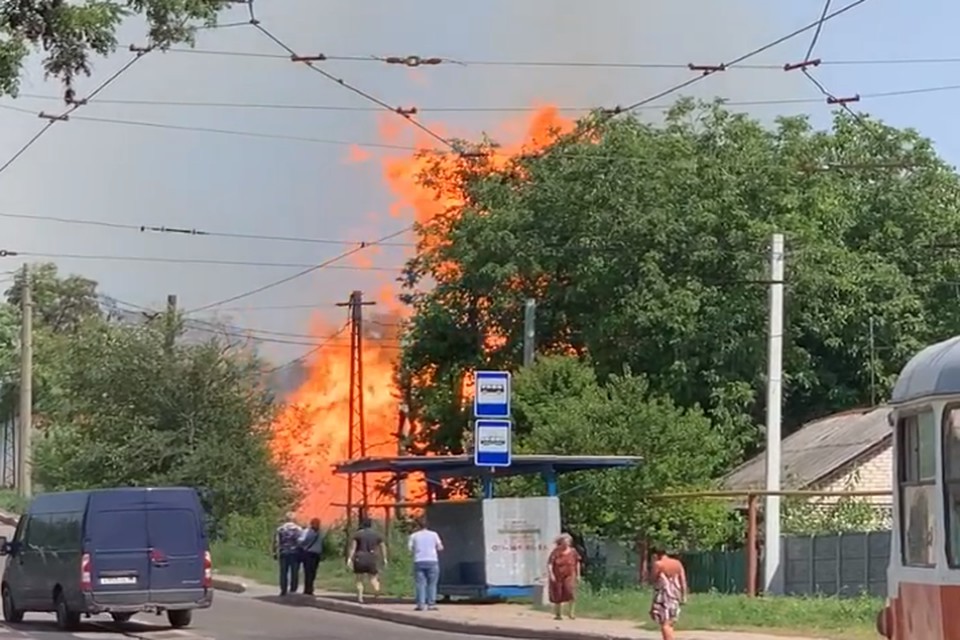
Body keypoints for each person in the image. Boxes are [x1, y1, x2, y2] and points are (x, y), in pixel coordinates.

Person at [649, 547, 688, 640]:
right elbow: (683, 580)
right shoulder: (677, 563)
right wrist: (684, 596)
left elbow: (653, 579)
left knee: (665, 623)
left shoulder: (658, 564)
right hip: (675, 595)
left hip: (663, 596)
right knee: (670, 623)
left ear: (655, 555)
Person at [346, 515, 387, 603]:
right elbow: (383, 546)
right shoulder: (377, 534)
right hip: (372, 558)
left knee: (359, 579)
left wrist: (349, 558)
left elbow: (353, 548)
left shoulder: (358, 534)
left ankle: (360, 598)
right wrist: (384, 558)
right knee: (373, 578)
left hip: (360, 557)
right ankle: (376, 591)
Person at [408, 516, 444, 611]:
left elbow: (410, 549)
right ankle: (431, 604)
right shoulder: (434, 534)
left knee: (420, 584)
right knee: (432, 583)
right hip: (432, 560)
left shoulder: (414, 536)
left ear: (417, 525)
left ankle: (421, 604)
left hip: (419, 560)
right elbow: (440, 547)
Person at [547, 533, 581, 620]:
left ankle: (571, 613)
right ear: (560, 542)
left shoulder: (573, 551)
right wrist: (551, 574)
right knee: (558, 594)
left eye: (568, 541)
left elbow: (577, 562)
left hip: (570, 575)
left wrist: (578, 574)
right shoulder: (556, 552)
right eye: (565, 541)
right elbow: (550, 563)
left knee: (571, 592)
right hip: (558, 575)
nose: (567, 543)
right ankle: (558, 614)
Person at [273, 512, 304, 596]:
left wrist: (275, 552)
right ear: (294, 519)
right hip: (295, 553)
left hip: (283, 552)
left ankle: (283, 589)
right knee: (294, 572)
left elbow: (276, 542)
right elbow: (301, 542)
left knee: (283, 572)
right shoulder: (298, 529)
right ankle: (293, 590)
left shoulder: (280, 529)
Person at [299, 518, 324, 596]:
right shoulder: (320, 533)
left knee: (308, 572)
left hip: (309, 553)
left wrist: (301, 544)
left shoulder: (311, 532)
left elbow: (306, 540)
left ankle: (308, 589)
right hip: (317, 553)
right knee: (313, 571)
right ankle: (311, 587)